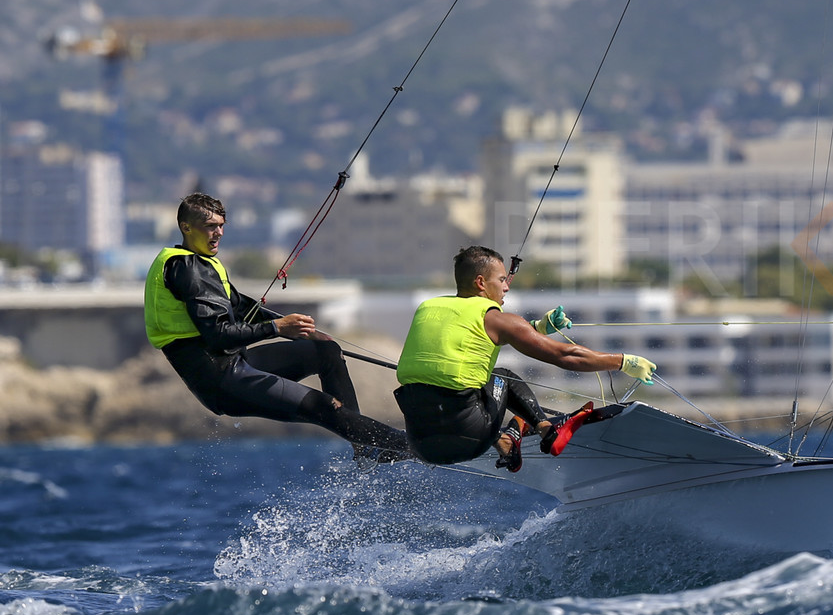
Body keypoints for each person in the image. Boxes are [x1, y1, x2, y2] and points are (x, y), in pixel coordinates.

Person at [144, 192, 410, 463]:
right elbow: (218, 336)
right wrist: (277, 327)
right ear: (186, 227)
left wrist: (301, 331)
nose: (219, 233)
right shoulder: (185, 267)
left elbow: (241, 307)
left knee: (325, 351)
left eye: (222, 225)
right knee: (323, 406)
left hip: (237, 364)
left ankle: (364, 446)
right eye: (211, 226)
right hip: (222, 381)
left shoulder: (201, 262)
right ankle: (406, 445)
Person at [393, 245, 656, 470]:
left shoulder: (429, 308)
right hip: (471, 438)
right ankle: (546, 429)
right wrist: (623, 361)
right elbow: (565, 355)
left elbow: (473, 339)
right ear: (481, 283)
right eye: (501, 280)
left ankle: (506, 442)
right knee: (501, 377)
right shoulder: (496, 319)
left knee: (466, 386)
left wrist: (537, 328)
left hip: (422, 445)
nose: (506, 287)